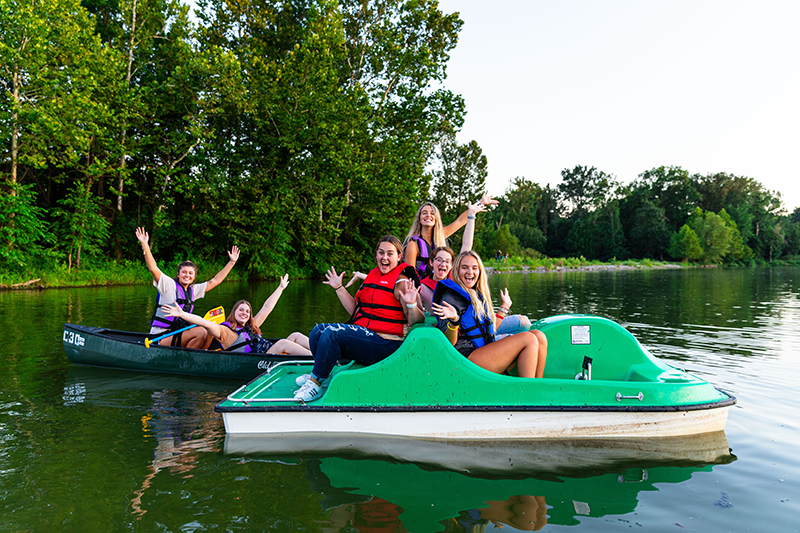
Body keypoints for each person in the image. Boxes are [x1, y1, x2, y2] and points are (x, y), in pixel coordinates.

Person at [293, 236, 425, 402]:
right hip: (367, 337)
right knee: (318, 331)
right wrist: (339, 287)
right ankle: (322, 373)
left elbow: (417, 321)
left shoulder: (402, 283)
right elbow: (357, 311)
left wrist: (412, 304)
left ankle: (315, 383)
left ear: (399, 257)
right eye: (381, 253)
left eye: (390, 254)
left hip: (388, 344)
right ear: (376, 255)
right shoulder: (373, 275)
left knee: (333, 334)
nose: (384, 257)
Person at [432, 250, 547, 378]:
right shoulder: (449, 299)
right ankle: (528, 393)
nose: (470, 272)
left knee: (539, 336)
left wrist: (504, 307)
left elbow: (489, 330)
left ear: (480, 272)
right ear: (456, 271)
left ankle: (538, 386)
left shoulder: (475, 294)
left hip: (483, 351)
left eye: (474, 268)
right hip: (465, 359)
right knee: (529, 339)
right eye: (464, 268)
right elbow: (449, 344)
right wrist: (454, 321)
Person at [135, 227, 239, 348]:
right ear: (178, 274)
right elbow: (153, 268)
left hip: (178, 333)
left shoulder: (193, 290)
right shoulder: (168, 285)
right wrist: (145, 245)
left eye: (190, 273)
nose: (187, 275)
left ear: (194, 277)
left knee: (209, 330)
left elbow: (216, 280)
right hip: (160, 337)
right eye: (184, 272)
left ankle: (201, 355)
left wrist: (232, 261)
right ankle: (188, 361)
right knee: (201, 331)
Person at [161, 275, 311, 355]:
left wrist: (281, 288)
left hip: (272, 352)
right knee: (283, 343)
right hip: (261, 360)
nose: (244, 313)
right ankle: (318, 360)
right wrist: (182, 314)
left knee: (295, 335)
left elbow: (267, 307)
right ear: (233, 312)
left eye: (247, 311)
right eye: (241, 310)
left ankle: (323, 351)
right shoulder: (224, 332)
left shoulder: (251, 327)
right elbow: (204, 322)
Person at [402, 193, 497, 280]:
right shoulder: (413, 244)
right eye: (424, 213)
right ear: (419, 219)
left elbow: (459, 222)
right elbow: (410, 274)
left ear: (436, 218)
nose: (428, 215)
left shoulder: (440, 235)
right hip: (421, 288)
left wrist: (481, 202)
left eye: (432, 213)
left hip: (437, 283)